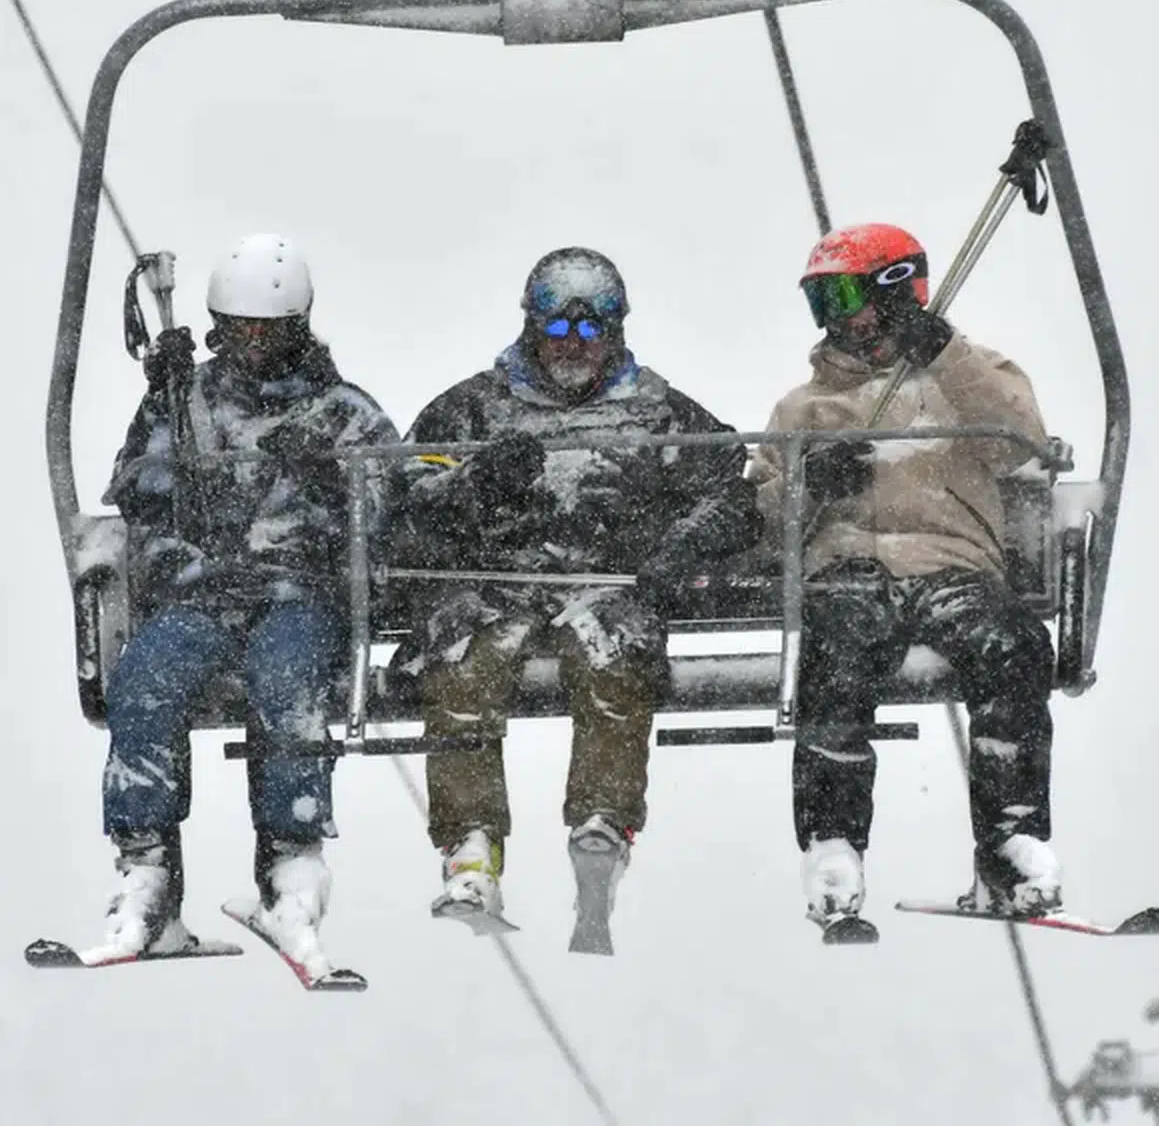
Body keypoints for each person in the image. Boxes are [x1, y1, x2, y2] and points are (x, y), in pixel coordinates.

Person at [386, 247, 761, 927]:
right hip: (496, 582)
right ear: (532, 327)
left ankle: (603, 822)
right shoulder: (473, 409)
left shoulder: (654, 412)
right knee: (462, 662)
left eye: (591, 330)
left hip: (604, 578)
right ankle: (471, 843)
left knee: (614, 655)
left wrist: (676, 541)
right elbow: (408, 498)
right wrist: (476, 484)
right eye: (558, 329)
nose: (574, 345)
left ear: (615, 332)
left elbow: (729, 493)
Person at [747, 222, 1059, 937]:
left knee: (1013, 647)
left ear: (895, 291)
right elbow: (763, 524)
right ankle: (833, 842)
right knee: (836, 651)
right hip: (849, 568)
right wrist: (809, 484)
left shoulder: (968, 379)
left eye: (846, 296)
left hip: (952, 565)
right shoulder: (804, 409)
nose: (837, 318)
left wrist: (944, 354)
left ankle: (1012, 836)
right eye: (821, 302)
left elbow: (1021, 445)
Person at [97, 233, 398, 970]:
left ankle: (290, 871)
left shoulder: (342, 413)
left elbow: (389, 507)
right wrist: (182, 511)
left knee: (287, 680)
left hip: (298, 595)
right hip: (204, 594)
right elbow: (135, 490)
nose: (254, 345)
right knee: (144, 680)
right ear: (217, 325)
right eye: (239, 330)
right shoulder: (183, 401)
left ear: (299, 325)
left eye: (270, 330)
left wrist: (328, 482)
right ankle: (147, 875)